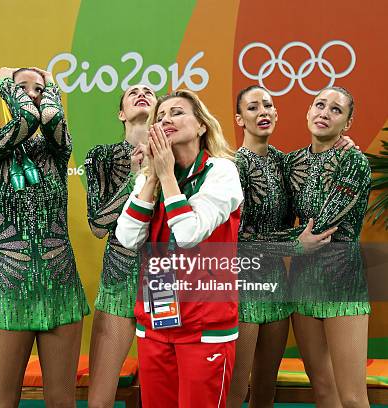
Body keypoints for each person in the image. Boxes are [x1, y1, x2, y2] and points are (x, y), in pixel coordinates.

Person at [240, 87, 371, 407]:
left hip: (342, 280)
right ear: (308, 112)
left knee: (353, 397)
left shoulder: (354, 161)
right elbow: (273, 212)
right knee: (323, 388)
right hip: (301, 283)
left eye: (336, 110)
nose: (325, 112)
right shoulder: (290, 162)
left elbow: (323, 228)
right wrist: (290, 244)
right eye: (320, 105)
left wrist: (288, 242)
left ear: (348, 123)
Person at [115, 89, 243, 407]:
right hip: (158, 316)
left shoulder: (222, 172)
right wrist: (151, 178)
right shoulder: (151, 177)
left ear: (201, 125)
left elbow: (188, 234)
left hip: (205, 324)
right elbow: (127, 238)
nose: (166, 119)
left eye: (177, 112)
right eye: (161, 116)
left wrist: (166, 175)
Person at [0, 67, 89, 407]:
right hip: (9, 289)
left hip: (60, 287)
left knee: (61, 401)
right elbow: (25, 117)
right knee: (2, 402)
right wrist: (7, 86)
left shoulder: (57, 148)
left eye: (39, 88)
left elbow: (49, 117)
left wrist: (47, 86)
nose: (32, 95)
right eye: (22, 87)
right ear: (8, 94)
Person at [84, 84, 156, 407]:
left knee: (160, 395)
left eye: (150, 91)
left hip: (164, 280)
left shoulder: (177, 157)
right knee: (101, 397)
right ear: (121, 113)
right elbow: (98, 225)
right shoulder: (101, 157)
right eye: (133, 93)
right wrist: (134, 177)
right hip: (119, 278)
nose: (142, 93)